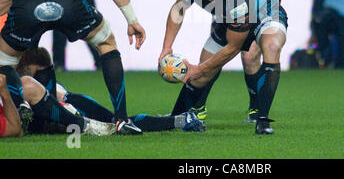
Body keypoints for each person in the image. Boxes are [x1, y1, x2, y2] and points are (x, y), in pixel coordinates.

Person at [0, 0, 146, 134]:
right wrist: (132, 20)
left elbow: (4, 1)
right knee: (107, 44)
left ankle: (20, 106)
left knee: (4, 60)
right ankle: (122, 120)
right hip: (66, 1)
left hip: (27, 5)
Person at [159, 0, 289, 135]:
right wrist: (166, 47)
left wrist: (199, 68)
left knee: (271, 46)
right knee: (202, 73)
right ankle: (176, 118)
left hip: (267, 14)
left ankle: (263, 121)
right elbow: (178, 9)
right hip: (228, 19)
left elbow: (234, 48)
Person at [16, 47, 205, 133]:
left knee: (117, 123)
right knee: (119, 123)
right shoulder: (21, 80)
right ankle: (178, 120)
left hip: (61, 110)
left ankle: (178, 121)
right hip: (56, 111)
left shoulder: (27, 82)